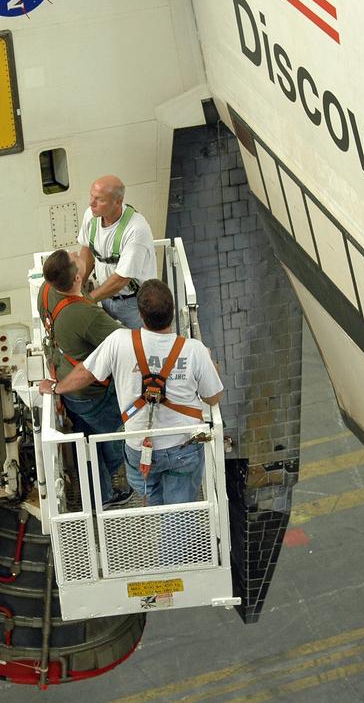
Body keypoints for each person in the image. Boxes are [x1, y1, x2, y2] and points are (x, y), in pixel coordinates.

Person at [49, 279, 223, 506]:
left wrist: (55, 388)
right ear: (171, 311)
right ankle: (174, 534)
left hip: (139, 447)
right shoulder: (194, 350)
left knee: (151, 498)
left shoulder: (119, 341)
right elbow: (213, 397)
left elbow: (86, 373)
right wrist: (211, 364)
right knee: (180, 513)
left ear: (141, 315)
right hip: (183, 446)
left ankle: (159, 515)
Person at [35, 249, 133, 507]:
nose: (79, 254)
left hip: (64, 381)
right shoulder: (86, 316)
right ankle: (105, 491)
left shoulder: (45, 291)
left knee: (86, 438)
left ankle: (99, 493)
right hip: (91, 394)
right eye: (76, 258)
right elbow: (126, 344)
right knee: (112, 437)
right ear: (78, 277)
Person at [76, 175, 157, 328]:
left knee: (140, 345)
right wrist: (79, 286)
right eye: (91, 196)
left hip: (134, 304)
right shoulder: (91, 216)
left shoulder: (136, 229)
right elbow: (87, 249)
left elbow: (122, 279)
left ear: (118, 202)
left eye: (99, 199)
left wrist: (87, 300)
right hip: (105, 298)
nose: (91, 203)